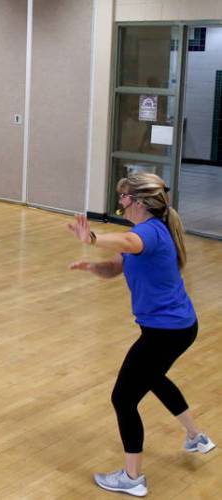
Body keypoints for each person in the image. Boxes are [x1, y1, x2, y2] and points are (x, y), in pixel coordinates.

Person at [67, 173, 215, 497]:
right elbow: (117, 264)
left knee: (123, 397)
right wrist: (94, 267)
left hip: (166, 331)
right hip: (177, 327)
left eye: (124, 197)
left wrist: (91, 237)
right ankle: (196, 436)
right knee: (153, 377)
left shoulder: (149, 233)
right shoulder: (148, 231)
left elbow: (127, 244)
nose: (119, 202)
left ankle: (132, 477)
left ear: (139, 202)